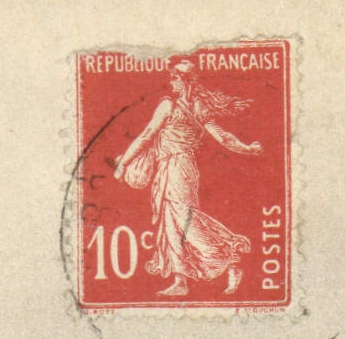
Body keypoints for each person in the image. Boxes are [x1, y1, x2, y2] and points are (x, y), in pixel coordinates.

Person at [113, 60, 263, 297]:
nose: (171, 82)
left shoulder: (169, 106)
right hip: (178, 168)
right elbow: (224, 138)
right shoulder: (199, 107)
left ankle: (230, 259)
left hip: (177, 167)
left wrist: (123, 162)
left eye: (174, 78)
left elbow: (146, 135)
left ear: (183, 81)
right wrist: (247, 148)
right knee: (171, 222)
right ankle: (180, 280)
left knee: (184, 220)